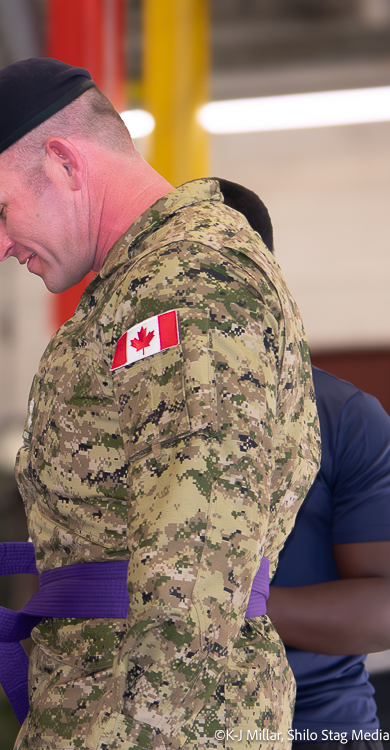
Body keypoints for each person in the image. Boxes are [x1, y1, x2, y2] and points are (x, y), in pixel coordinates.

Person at [0, 58, 320, 749]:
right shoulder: (135, 285)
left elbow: (199, 557)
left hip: (158, 723)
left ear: (62, 162)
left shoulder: (187, 279)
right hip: (105, 701)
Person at [217, 179, 390, 750]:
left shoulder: (344, 419)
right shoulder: (112, 419)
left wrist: (227, 598)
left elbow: (384, 603)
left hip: (313, 723)